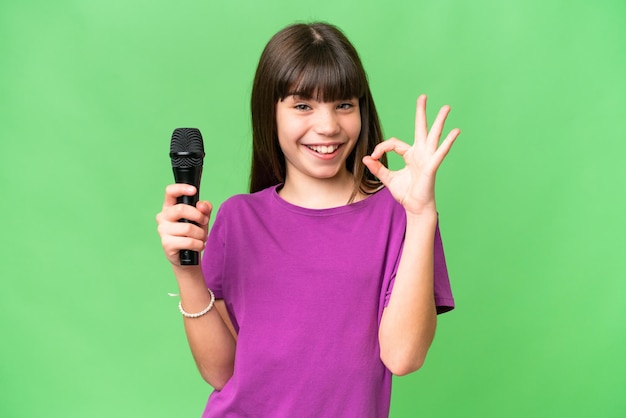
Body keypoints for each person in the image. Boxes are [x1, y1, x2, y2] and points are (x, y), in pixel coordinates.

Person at [156, 22, 460, 418]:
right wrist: (186, 271)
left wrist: (420, 216)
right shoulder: (238, 219)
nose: (329, 126)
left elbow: (403, 357)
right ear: (272, 113)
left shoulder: (399, 216)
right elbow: (221, 372)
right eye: (302, 105)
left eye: (344, 104)